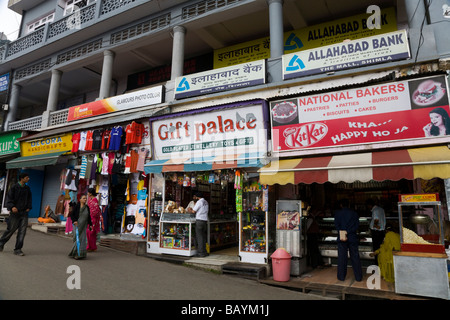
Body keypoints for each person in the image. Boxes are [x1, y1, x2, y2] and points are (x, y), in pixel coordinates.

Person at [0, 173, 32, 256]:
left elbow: (29, 199)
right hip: (15, 213)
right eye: (26, 177)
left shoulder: (27, 188)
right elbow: (9, 198)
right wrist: (12, 206)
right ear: (22, 178)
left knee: (22, 232)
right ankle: (1, 243)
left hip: (24, 213)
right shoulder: (14, 187)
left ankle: (18, 249)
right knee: (10, 230)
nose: (28, 178)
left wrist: (28, 207)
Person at [334, 198, 362, 282]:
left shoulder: (337, 214)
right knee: (355, 257)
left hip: (342, 237)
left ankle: (341, 277)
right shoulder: (354, 213)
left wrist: (342, 231)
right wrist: (349, 231)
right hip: (352, 237)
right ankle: (358, 277)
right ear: (349, 205)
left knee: (342, 258)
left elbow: (336, 225)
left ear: (341, 205)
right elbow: (357, 225)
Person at [69, 195, 92, 260]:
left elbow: (89, 217)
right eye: (84, 198)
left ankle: (80, 254)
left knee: (82, 239)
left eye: (86, 198)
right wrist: (74, 221)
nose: (85, 199)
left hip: (84, 226)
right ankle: (75, 253)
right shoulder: (77, 207)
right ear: (80, 199)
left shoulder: (87, 207)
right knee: (77, 239)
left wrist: (90, 224)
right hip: (77, 225)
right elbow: (72, 214)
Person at [187, 192, 209, 257]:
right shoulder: (206, 202)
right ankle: (204, 252)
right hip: (205, 220)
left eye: (195, 197)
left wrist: (190, 210)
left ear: (197, 197)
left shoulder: (199, 202)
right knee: (203, 236)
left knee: (199, 237)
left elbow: (194, 211)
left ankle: (200, 253)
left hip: (199, 220)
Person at [86, 188, 101, 252]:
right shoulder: (89, 199)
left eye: (88, 192)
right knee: (89, 232)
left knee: (91, 232)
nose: (87, 193)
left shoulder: (95, 200)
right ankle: (91, 246)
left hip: (93, 218)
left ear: (91, 193)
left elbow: (96, 210)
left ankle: (91, 247)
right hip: (89, 218)